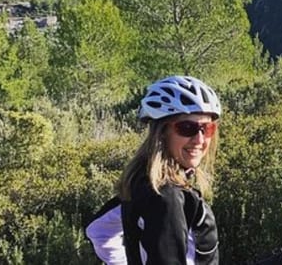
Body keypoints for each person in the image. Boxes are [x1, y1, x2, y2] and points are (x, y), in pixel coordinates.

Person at [86, 75, 221, 265]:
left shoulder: (144, 182)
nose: (199, 140)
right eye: (187, 127)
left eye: (207, 128)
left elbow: (98, 230)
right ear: (162, 132)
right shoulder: (168, 198)